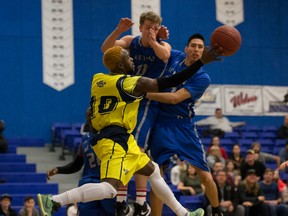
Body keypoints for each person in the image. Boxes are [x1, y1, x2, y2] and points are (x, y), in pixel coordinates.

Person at [37, 44, 222, 216]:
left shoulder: (98, 79)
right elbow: (171, 81)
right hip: (114, 141)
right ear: (120, 64)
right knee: (109, 189)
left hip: (122, 139)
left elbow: (89, 111)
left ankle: (184, 214)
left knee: (154, 170)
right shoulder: (129, 83)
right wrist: (201, 62)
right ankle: (53, 201)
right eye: (128, 57)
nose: (132, 59)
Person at [101, 11, 171, 214]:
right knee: (125, 149)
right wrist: (118, 30)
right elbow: (106, 49)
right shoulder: (131, 41)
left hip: (146, 101)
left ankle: (139, 202)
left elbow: (165, 55)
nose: (151, 31)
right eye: (148, 27)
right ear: (140, 27)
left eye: (155, 28)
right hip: (125, 97)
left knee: (137, 149)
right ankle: (122, 200)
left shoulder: (162, 45)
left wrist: (156, 40)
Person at [146, 34, 223, 216]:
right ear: (186, 48)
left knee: (205, 175)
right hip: (161, 125)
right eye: (193, 46)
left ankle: (217, 210)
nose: (196, 50)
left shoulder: (203, 77)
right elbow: (160, 51)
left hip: (184, 127)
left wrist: (145, 93)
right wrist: (157, 36)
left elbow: (174, 99)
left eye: (200, 47)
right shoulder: (176, 56)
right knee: (157, 177)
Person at [46, 108, 116, 216]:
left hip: (88, 186)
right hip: (106, 185)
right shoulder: (112, 136)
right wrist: (58, 169)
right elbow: (77, 164)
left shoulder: (85, 139)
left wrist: (58, 170)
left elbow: (76, 165)